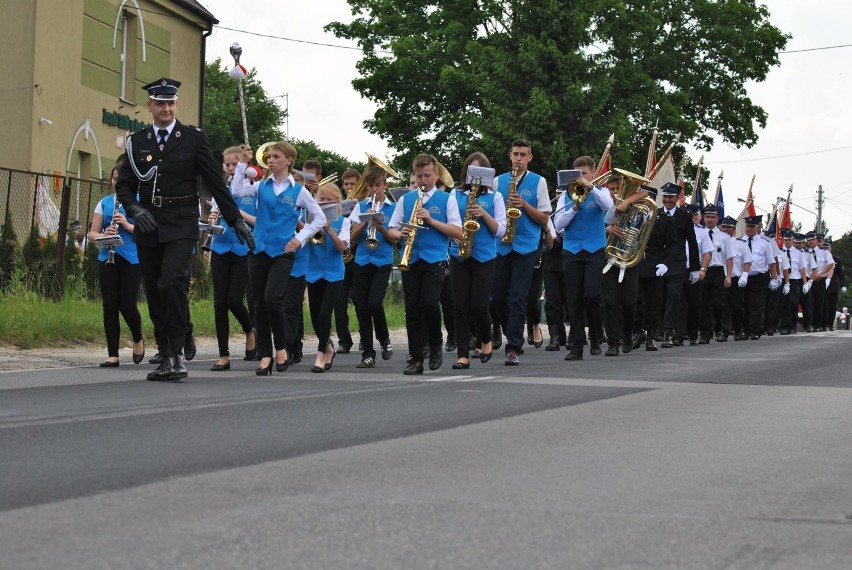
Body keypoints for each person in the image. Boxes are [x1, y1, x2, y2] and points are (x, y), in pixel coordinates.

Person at [116, 77, 254, 382]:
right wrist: (135, 209)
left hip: (181, 220)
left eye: (171, 103)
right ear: (150, 106)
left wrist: (236, 220)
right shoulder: (137, 142)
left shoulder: (193, 138)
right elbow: (125, 187)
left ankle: (177, 355)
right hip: (149, 222)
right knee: (154, 290)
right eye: (160, 103)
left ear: (176, 105)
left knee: (171, 282)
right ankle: (167, 348)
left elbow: (216, 184)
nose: (166, 108)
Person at [249, 142, 326, 375]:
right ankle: (265, 355)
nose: (270, 160)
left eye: (275, 157)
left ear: (289, 160)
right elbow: (237, 191)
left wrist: (299, 238)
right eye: (269, 157)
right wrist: (244, 164)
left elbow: (319, 218)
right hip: (259, 249)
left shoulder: (299, 191)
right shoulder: (261, 186)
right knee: (258, 304)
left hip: (283, 252)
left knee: (273, 299)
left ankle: (281, 348)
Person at [389, 154, 462, 375]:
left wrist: (430, 220)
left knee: (430, 303)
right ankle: (416, 357)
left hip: (435, 259)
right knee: (412, 309)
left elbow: (457, 231)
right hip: (410, 259)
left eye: (427, 176)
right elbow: (392, 231)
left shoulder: (446, 199)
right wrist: (399, 233)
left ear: (436, 176)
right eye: (419, 176)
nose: (423, 180)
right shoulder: (405, 200)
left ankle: (436, 344)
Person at [491, 140, 552, 366]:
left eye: (522, 155)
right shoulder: (498, 181)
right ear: (510, 156)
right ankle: (512, 333)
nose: (518, 158)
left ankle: (513, 347)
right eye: (515, 154)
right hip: (502, 244)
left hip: (527, 245)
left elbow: (544, 218)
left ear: (529, 157)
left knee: (518, 296)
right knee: (497, 297)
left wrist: (524, 205)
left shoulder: (539, 182)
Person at [448, 152, 506, 369]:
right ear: (466, 173)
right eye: (472, 172)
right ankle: (462, 354)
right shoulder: (455, 194)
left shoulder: (495, 196)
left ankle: (487, 339)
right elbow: (449, 222)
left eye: (480, 172)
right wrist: (453, 234)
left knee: (479, 305)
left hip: (485, 256)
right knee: (460, 306)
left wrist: (484, 214)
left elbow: (501, 230)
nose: (476, 178)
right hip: (459, 255)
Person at [554, 156, 613, 360]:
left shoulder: (601, 192)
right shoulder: (565, 196)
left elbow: (608, 206)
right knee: (574, 299)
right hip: (571, 250)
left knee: (592, 294)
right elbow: (558, 225)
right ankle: (577, 347)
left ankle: (596, 335)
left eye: (584, 174)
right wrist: (575, 207)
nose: (580, 179)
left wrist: (590, 187)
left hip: (594, 249)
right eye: (577, 175)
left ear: (592, 174)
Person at [87, 158, 144, 367]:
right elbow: (92, 234)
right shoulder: (104, 203)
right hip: (107, 257)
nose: (116, 182)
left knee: (127, 305)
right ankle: (113, 354)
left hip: (131, 258)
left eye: (121, 179)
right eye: (114, 179)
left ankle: (138, 339)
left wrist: (127, 225)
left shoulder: (138, 201)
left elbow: (147, 232)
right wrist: (103, 234)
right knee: (109, 306)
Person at [207, 145, 258, 371]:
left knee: (234, 300)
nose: (230, 168)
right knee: (219, 303)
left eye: (235, 164)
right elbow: (217, 216)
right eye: (227, 164)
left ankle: (249, 330)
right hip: (220, 248)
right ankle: (224, 354)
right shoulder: (220, 189)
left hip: (241, 250)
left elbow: (256, 221)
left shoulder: (253, 189)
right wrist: (212, 218)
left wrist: (237, 214)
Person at [348, 166, 397, 368]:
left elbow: (394, 240)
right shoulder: (360, 206)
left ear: (385, 185)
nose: (375, 189)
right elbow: (351, 238)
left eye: (378, 185)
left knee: (374, 302)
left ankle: (384, 339)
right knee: (361, 306)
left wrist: (379, 226)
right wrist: (364, 221)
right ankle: (368, 353)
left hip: (382, 260)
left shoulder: (393, 208)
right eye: (371, 186)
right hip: (361, 259)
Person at [600, 172, 652, 356]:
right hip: (609, 258)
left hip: (630, 258)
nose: (615, 193)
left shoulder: (634, 204)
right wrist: (606, 229)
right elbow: (597, 226)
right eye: (612, 189)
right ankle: (613, 342)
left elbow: (646, 192)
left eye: (617, 189)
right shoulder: (604, 204)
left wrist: (626, 202)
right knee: (610, 301)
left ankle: (628, 333)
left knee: (629, 301)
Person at [306, 183, 350, 372]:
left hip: (334, 273)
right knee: (316, 317)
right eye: (321, 200)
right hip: (313, 271)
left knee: (325, 313)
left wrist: (329, 229)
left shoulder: (344, 221)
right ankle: (328, 347)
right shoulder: (311, 220)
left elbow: (342, 248)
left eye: (328, 200)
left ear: (337, 202)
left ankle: (321, 353)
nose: (324, 203)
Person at [655, 183, 699, 347]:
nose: (667, 200)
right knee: (658, 298)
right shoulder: (656, 214)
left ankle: (668, 331)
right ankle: (654, 330)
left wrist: (694, 268)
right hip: (658, 262)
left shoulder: (684, 217)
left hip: (677, 262)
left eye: (670, 197)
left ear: (678, 198)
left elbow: (692, 243)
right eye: (665, 196)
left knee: (673, 297)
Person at [635, 185, 679, 351]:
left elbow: (673, 246)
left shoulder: (665, 220)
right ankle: (637, 332)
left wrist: (666, 263)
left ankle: (651, 336)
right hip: (637, 264)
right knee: (636, 301)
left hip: (656, 265)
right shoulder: (635, 216)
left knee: (654, 303)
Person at [334, 167, 361, 354]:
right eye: (346, 184)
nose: (349, 187)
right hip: (343, 258)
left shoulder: (363, 203)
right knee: (339, 301)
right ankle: (344, 340)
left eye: (353, 184)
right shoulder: (338, 206)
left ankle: (364, 336)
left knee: (360, 300)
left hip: (358, 256)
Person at [698, 204, 734, 342]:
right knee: (703, 304)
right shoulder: (700, 233)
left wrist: (729, 276)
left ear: (717, 218)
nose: (709, 220)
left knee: (719, 303)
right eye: (707, 217)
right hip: (703, 270)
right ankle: (705, 333)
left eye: (712, 217)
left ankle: (721, 329)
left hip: (718, 271)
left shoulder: (724, 237)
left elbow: (729, 258)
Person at [739, 215, 778, 339]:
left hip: (758, 277)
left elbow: (771, 263)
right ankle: (744, 330)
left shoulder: (765, 243)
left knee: (756, 304)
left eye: (752, 226)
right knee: (743, 304)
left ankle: (755, 330)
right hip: (743, 277)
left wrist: (774, 278)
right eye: (747, 226)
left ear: (758, 227)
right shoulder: (739, 242)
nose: (749, 229)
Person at [719, 216, 752, 340]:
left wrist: (745, 274)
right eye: (724, 227)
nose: (726, 230)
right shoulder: (717, 241)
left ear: (734, 229)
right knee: (723, 307)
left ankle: (738, 330)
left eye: (729, 228)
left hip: (736, 280)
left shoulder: (741, 244)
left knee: (737, 307)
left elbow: (747, 261)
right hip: (721, 278)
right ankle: (724, 332)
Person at [779, 229, 808, 335]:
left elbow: (802, 269)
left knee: (793, 302)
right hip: (782, 280)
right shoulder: (779, 252)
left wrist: (805, 283)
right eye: (785, 240)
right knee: (784, 304)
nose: (787, 242)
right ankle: (785, 325)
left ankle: (793, 322)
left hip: (795, 280)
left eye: (789, 240)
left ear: (792, 241)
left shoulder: (798, 253)